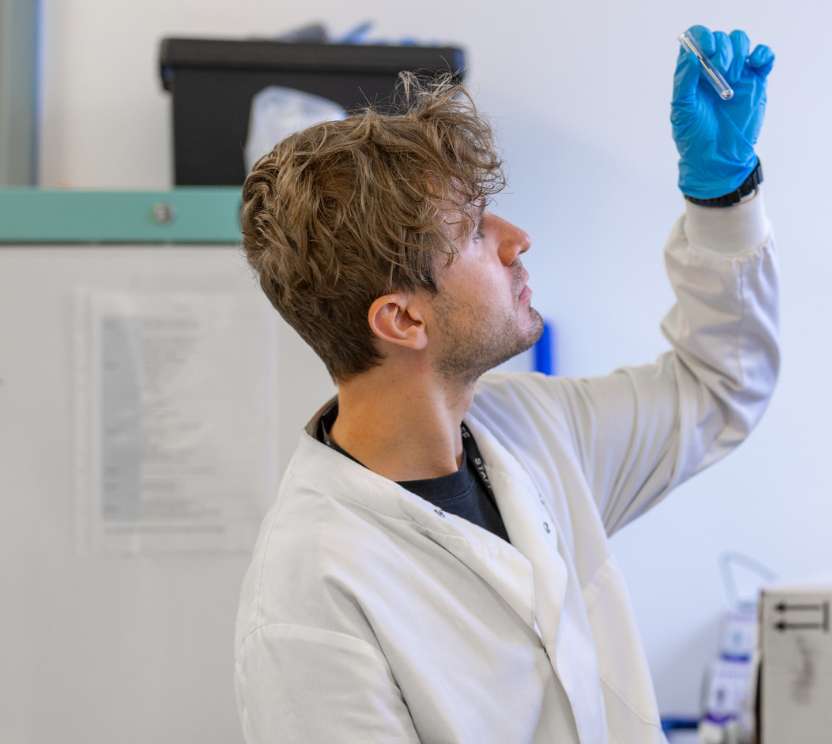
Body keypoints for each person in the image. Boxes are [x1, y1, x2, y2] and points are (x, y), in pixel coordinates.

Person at [233, 24, 778, 743]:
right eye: (474, 230)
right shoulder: (313, 592)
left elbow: (717, 387)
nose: (517, 239)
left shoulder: (534, 431)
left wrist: (724, 199)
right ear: (401, 318)